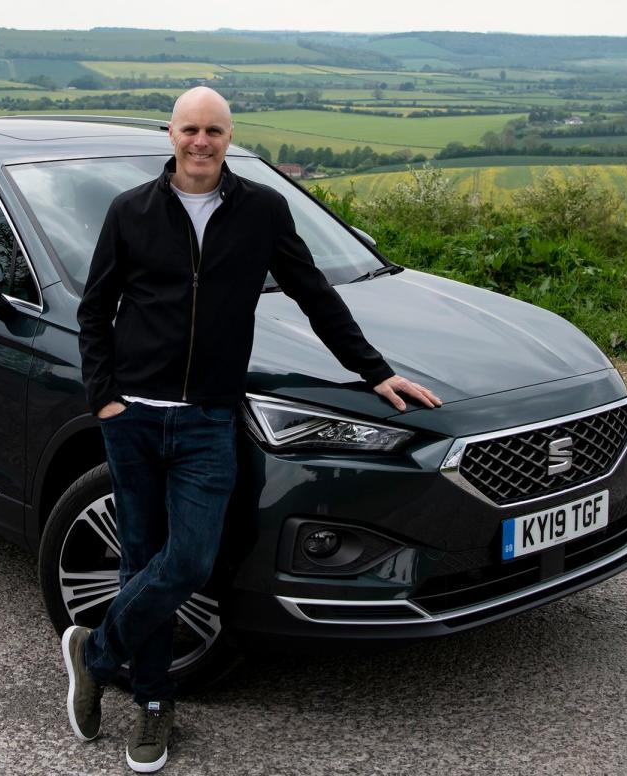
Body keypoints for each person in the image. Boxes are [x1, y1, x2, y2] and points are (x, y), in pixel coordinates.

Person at [61, 86, 441, 773]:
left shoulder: (263, 210)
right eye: (189, 130)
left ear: (228, 137)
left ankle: (93, 653)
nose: (201, 142)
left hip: (208, 419)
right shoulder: (131, 211)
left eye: (213, 130)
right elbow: (95, 311)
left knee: (191, 562)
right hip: (134, 419)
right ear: (170, 134)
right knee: (141, 559)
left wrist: (375, 371)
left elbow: (314, 292)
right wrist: (105, 401)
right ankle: (152, 703)